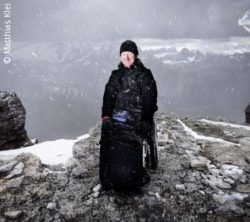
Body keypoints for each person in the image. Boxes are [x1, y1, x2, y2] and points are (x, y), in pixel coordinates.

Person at [99, 40, 158, 191]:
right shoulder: (115, 75)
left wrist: (145, 119)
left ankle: (130, 173)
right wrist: (106, 116)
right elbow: (108, 96)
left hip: (137, 115)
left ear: (135, 56)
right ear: (120, 57)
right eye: (123, 54)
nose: (126, 57)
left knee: (130, 138)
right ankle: (106, 176)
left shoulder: (144, 74)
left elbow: (149, 99)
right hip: (119, 114)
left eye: (129, 54)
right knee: (108, 131)